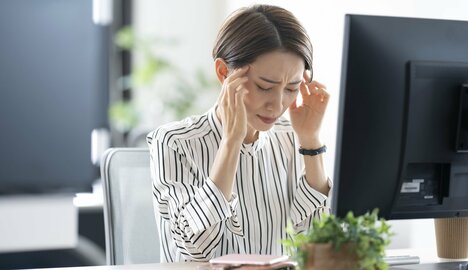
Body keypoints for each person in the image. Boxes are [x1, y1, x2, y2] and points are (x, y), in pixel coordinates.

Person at [146, 4, 332, 262]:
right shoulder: (174, 142)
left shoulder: (291, 138)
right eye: (264, 87)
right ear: (224, 73)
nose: (277, 105)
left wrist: (311, 141)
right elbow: (195, 249)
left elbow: (317, 244)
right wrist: (231, 142)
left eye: (291, 88)